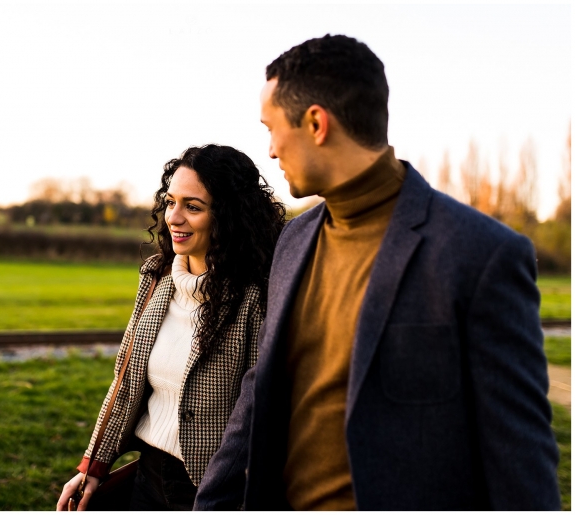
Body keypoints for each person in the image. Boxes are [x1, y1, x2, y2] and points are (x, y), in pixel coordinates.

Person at [194, 35, 561, 510]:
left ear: (315, 123)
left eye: (272, 129)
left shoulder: (480, 254)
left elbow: (520, 458)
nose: (269, 150)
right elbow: (259, 391)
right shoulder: (293, 240)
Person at [55, 144, 286, 510]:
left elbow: (262, 413)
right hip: (146, 477)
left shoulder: (257, 300)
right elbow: (126, 381)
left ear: (229, 216)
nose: (173, 218)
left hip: (214, 491)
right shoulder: (156, 279)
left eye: (193, 207)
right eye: (170, 201)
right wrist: (93, 466)